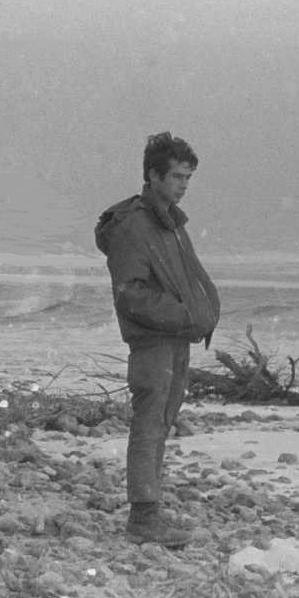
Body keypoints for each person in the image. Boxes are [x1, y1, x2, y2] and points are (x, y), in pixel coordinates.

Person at [94, 132, 221, 547]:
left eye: (188, 178)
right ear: (153, 175)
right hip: (154, 342)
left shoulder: (168, 221)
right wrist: (184, 315)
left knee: (160, 422)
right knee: (149, 423)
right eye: (177, 177)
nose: (184, 185)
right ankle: (143, 518)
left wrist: (190, 318)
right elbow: (130, 293)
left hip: (174, 338)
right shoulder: (135, 225)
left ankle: (150, 512)